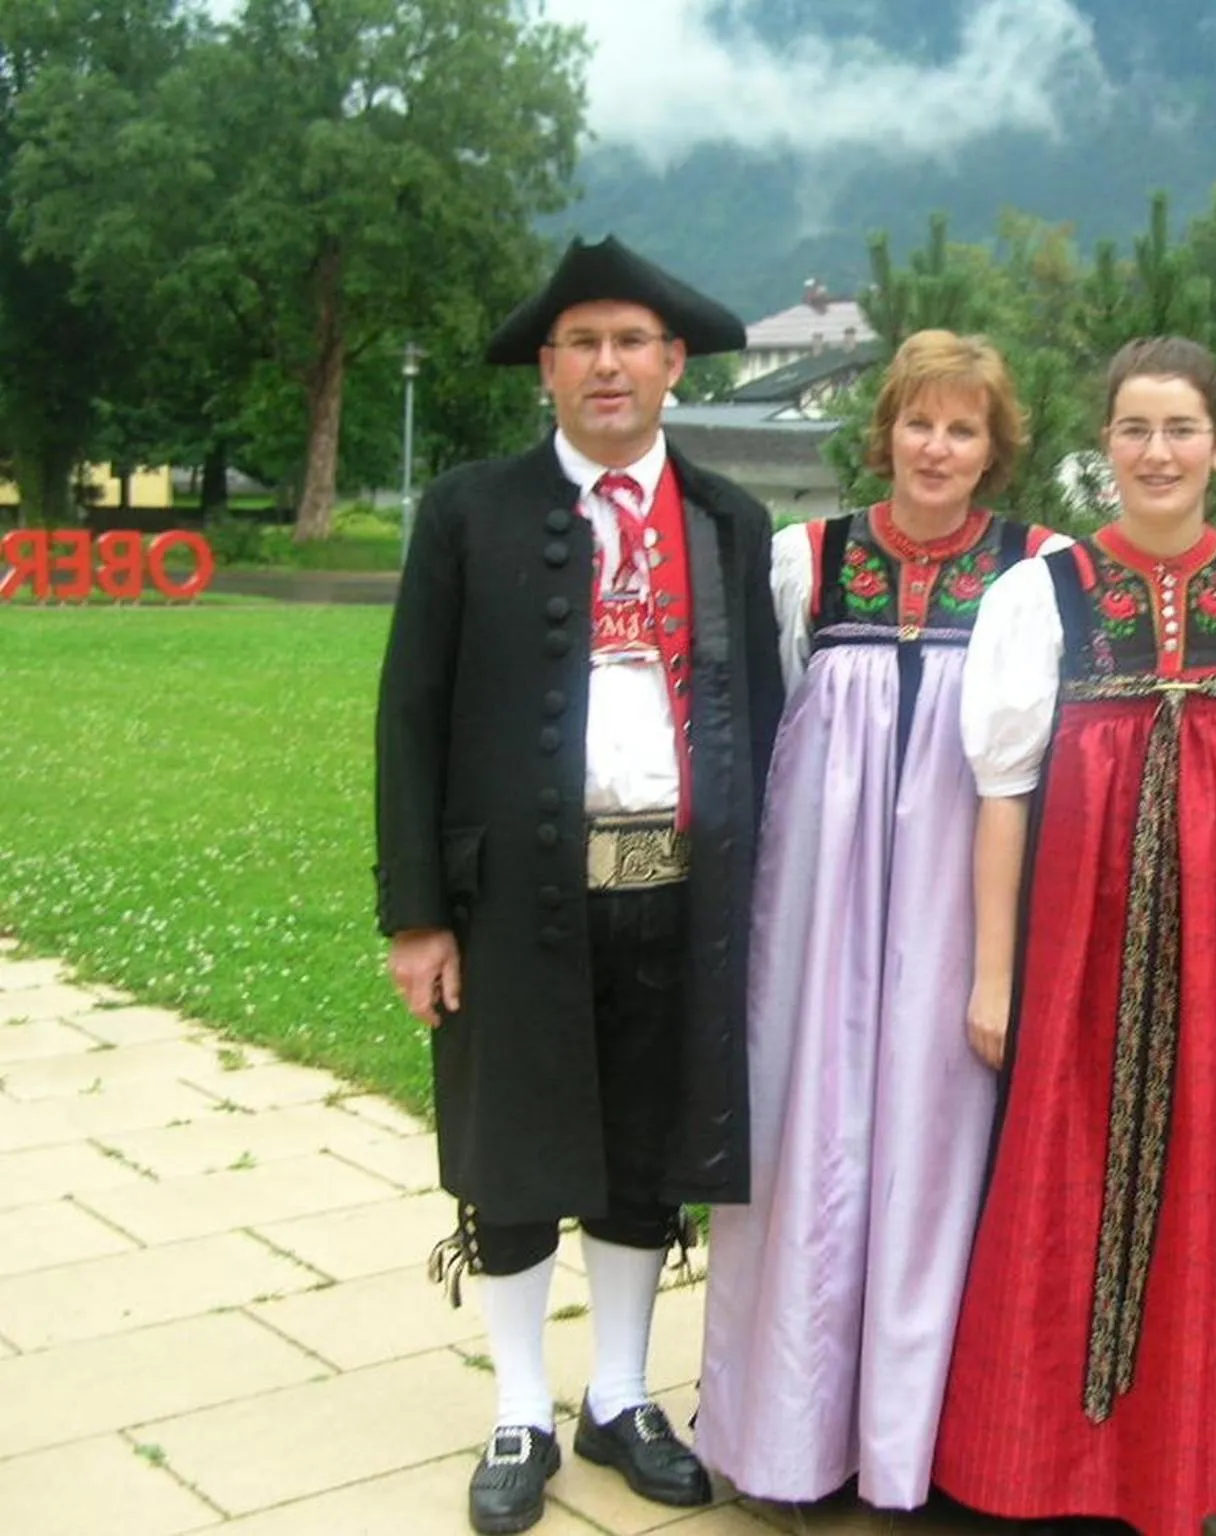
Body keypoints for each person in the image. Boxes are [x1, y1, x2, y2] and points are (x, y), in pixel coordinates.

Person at [373, 234, 782, 1536]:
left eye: (631, 343)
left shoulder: (730, 522)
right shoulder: (468, 511)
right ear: (547, 367)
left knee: (643, 1150)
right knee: (511, 1151)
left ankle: (618, 1395)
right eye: (584, 343)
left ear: (673, 363)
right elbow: (410, 713)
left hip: (677, 891)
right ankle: (518, 1410)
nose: (609, 365)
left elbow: (763, 718)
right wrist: (416, 914)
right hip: (508, 900)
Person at [931, 337, 1216, 1536]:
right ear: (1103, 444)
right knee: (1063, 1178)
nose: (1158, 453)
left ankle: (1201, 1463)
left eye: (1180, 429)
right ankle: (1050, 1464)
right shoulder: (1038, 594)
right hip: (1080, 948)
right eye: (1134, 429)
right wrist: (994, 975)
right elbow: (1002, 790)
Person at [695, 331, 1064, 1507]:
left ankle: (921, 1448)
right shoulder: (808, 561)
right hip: (818, 897)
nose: (936, 448)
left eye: (962, 429)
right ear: (885, 431)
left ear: (992, 449)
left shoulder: (1035, 571)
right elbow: (754, 724)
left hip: (961, 893)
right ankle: (788, 1436)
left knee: (933, 1139)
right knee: (805, 1132)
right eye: (918, 422)